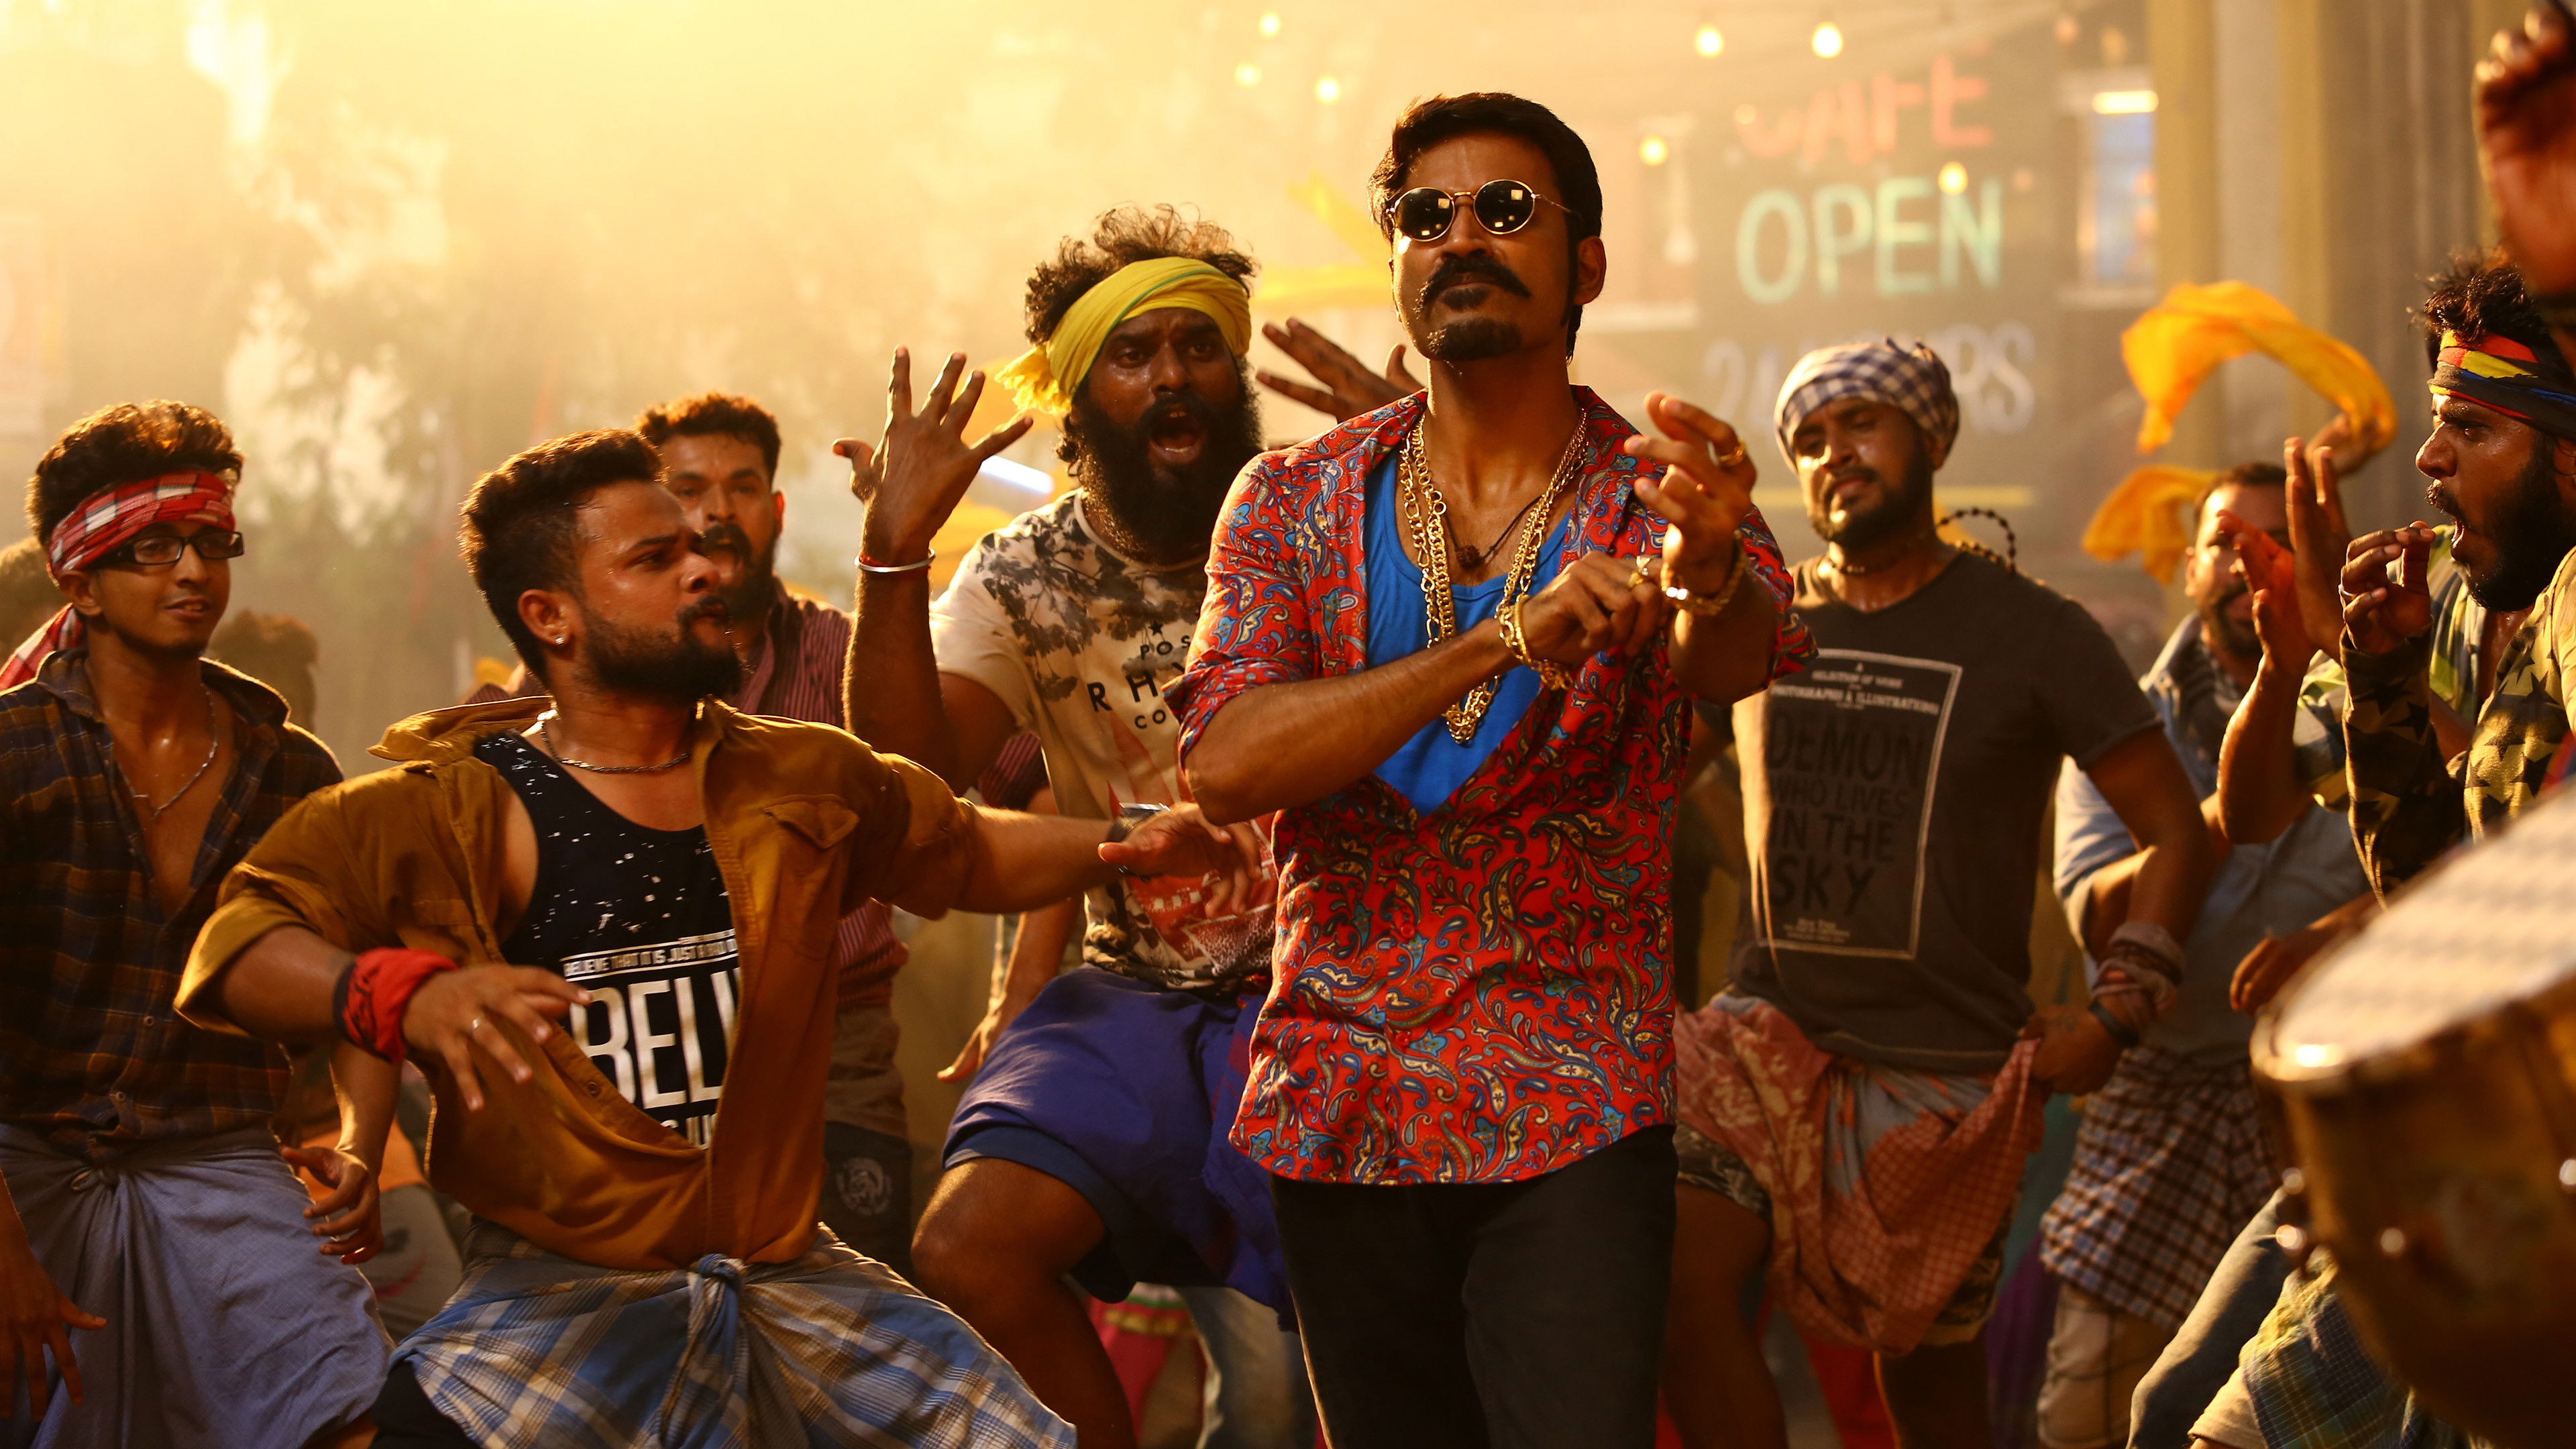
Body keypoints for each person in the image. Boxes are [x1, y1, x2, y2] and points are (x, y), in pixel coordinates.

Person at [174, 428, 1250, 1448]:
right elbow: (243, 940)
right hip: (557, 1301)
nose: (703, 569)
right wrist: (407, 995)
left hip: (789, 1281)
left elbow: (964, 851)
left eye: (695, 546)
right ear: (551, 617)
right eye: (655, 559)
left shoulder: (800, 773)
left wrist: (1121, 843)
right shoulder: (442, 808)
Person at [1175, 93, 1813, 1447]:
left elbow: (1734, 657)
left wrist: (1706, 573)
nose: (1461, 237)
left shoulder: (1656, 497)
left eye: (1506, 210)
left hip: (1574, 1101)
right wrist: (1498, 642)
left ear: (1587, 265)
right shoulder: (1291, 498)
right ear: (1399, 262)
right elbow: (1226, 764)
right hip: (1342, 1096)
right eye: (1427, 215)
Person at [1658, 340, 2216, 1449]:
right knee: (1677, 1281)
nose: (1835, 454)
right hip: (1764, 1044)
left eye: (1863, 424)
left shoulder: (2037, 632)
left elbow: (2175, 828)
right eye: (1810, 440)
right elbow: (1650, 758)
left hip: (1945, 1077)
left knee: (1926, 1385)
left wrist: (2120, 1010)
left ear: (1932, 441)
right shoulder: (1763, 619)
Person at [842, 205, 1311, 1449]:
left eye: (1198, 346)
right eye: (1132, 353)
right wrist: (892, 556)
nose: (1171, 376)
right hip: (1138, 1001)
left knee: (1277, 1398)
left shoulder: (1315, 519)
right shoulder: (1021, 574)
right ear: (1081, 393)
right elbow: (908, 777)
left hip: (1328, 995)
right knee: (967, 1246)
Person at [2174, 254, 2576, 1449]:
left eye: (2473, 429)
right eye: (2437, 423)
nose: (2430, 459)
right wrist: (2378, 675)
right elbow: (2441, 900)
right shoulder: (2476, 599)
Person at [0, 401, 389, 1448]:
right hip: (19, 1163)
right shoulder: (13, 753)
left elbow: (357, 980)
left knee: (347, 1403)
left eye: (211, 544)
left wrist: (362, 1143)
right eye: (153, 549)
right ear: (79, 583)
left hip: (217, 1162)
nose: (193, 573)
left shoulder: (290, 767)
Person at [2033, 467, 2369, 1449]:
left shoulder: (2377, 697)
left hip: (2324, 1105)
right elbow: (2101, 920)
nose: (2248, 563)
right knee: (2089, 1413)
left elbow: (2459, 859)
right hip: (2163, 1091)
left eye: (2278, 542)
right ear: (2189, 568)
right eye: (2225, 542)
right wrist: (2215, 811)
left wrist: (2339, 935)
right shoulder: (2124, 729)